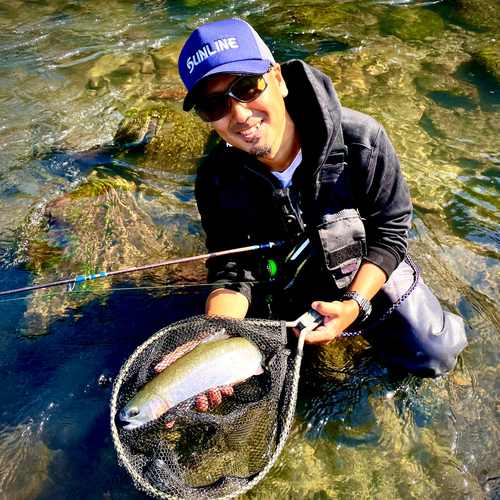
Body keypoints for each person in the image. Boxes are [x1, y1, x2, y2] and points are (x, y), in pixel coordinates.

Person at [178, 18, 467, 377]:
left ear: (279, 80)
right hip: (284, 280)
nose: (239, 114)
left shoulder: (363, 140)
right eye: (214, 105)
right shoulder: (214, 179)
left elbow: (391, 232)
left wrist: (353, 304)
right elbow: (231, 267)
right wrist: (215, 340)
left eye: (248, 87)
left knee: (433, 353)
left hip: (361, 267)